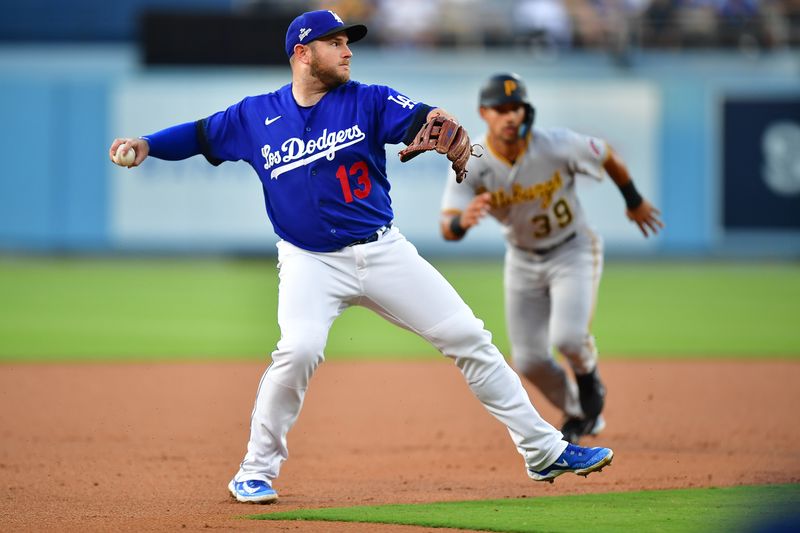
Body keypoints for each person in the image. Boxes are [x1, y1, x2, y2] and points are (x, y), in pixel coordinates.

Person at [108, 12, 614, 504]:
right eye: (335, 43)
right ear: (302, 53)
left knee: (468, 338)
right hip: (310, 261)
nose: (348, 50)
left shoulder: (369, 101)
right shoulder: (252, 115)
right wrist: (147, 144)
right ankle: (254, 471)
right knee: (299, 349)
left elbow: (419, 117)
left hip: (382, 251)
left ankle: (544, 451)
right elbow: (199, 135)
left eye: (349, 42)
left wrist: (437, 121)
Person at [440, 73, 663, 445]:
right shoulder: (474, 161)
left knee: (569, 338)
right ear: (484, 113)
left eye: (517, 108)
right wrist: (462, 222)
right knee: (528, 361)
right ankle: (579, 412)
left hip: (572, 248)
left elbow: (606, 154)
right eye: (501, 109)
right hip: (523, 259)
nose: (510, 116)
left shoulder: (556, 144)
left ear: (527, 111)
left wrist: (634, 200)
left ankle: (588, 376)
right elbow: (448, 225)